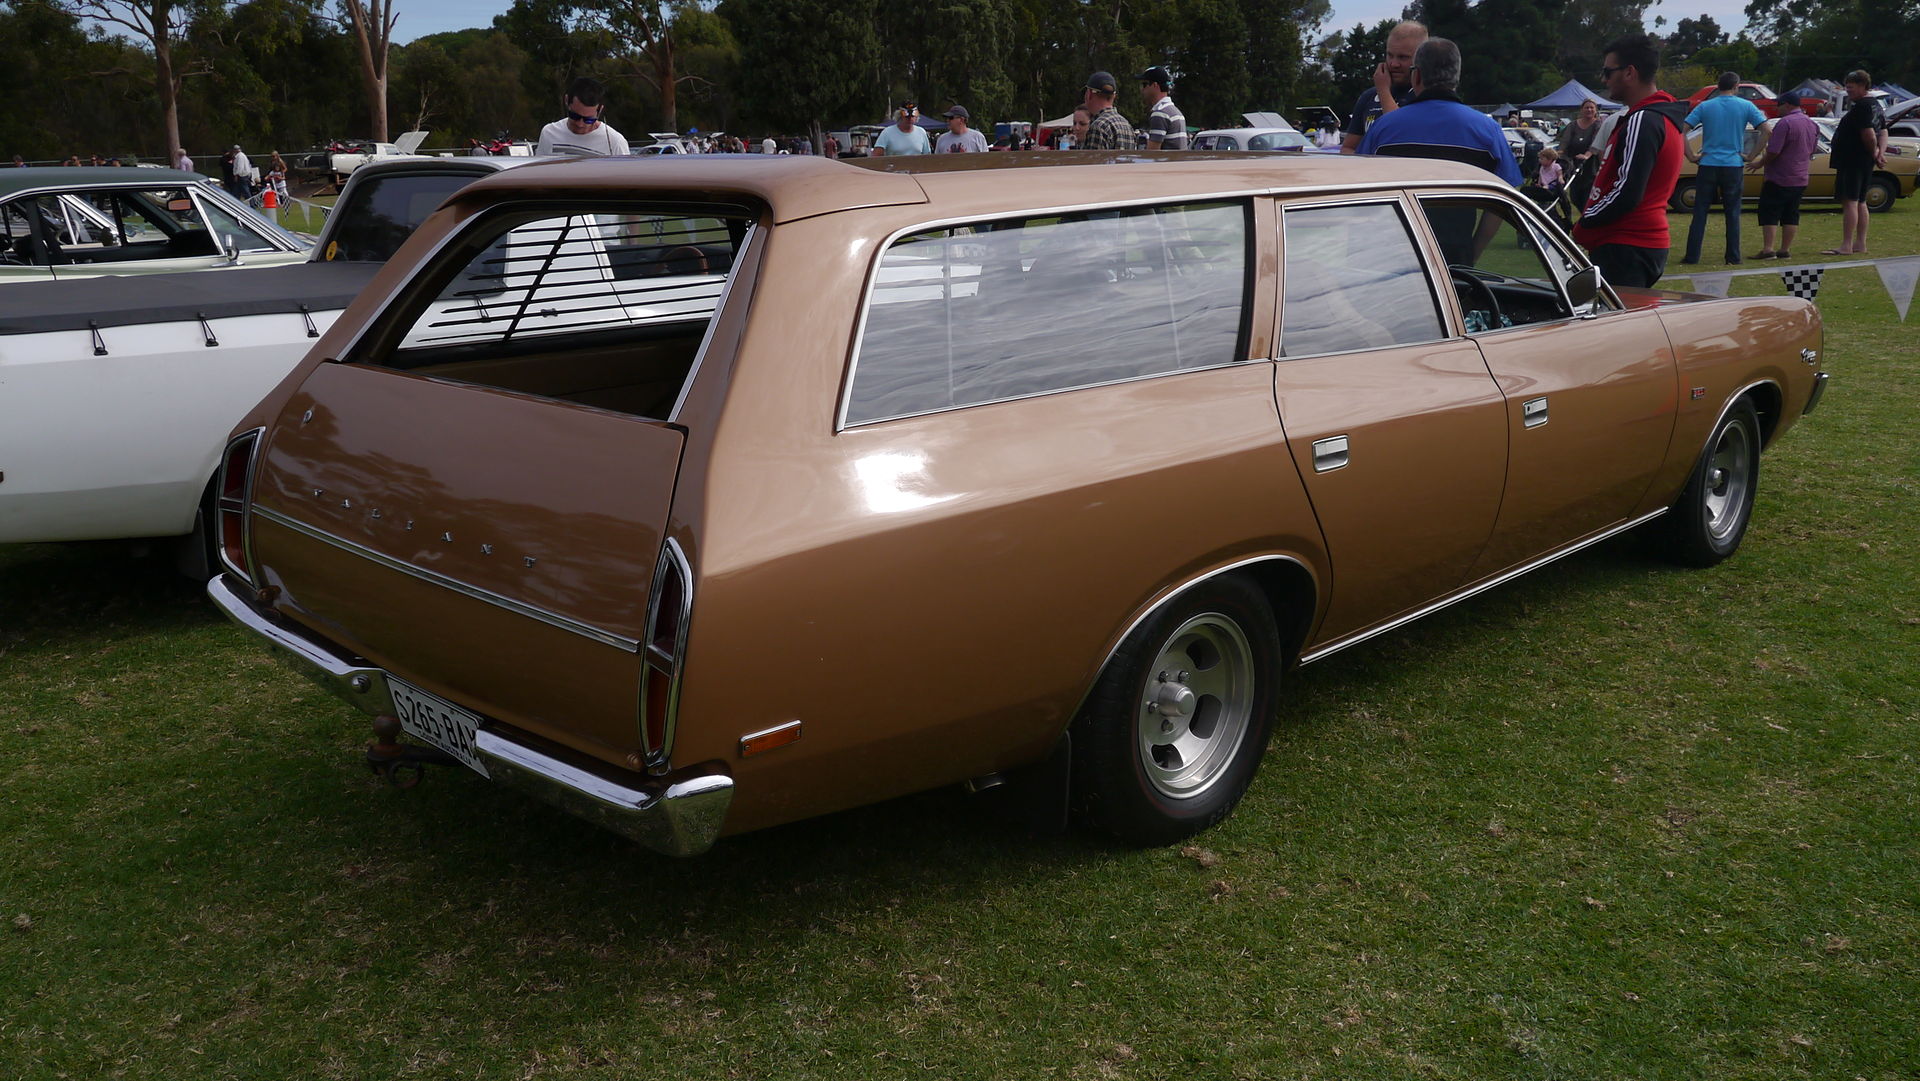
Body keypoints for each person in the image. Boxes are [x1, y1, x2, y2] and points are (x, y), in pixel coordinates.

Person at [1572, 34, 1690, 288]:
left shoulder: (1643, 119)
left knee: (1616, 326)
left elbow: (1627, 191)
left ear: (1629, 73)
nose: (1604, 79)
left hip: (1627, 245)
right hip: (1634, 245)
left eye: (1608, 71)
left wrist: (1585, 222)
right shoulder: (1653, 117)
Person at [1356, 38, 1521, 185]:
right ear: (1456, 76)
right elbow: (1507, 185)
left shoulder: (1383, 126)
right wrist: (1483, 222)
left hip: (1396, 219)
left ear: (1417, 75)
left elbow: (1359, 178)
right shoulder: (1488, 130)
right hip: (1460, 219)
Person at [1681, 72, 1767, 265]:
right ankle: (1733, 256)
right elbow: (1766, 129)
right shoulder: (1746, 106)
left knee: (1700, 211)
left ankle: (1692, 256)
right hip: (1733, 164)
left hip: (1708, 163)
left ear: (1718, 86)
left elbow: (1683, 130)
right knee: (1733, 212)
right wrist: (1752, 155)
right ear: (1736, 86)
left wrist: (1691, 155)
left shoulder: (1705, 106)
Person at [1826, 70, 1888, 255]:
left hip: (1853, 160)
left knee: (1850, 201)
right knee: (1861, 201)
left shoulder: (1862, 106)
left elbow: (1869, 135)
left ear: (1862, 86)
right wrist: (1879, 153)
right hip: (1864, 160)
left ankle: (1846, 245)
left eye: (1851, 87)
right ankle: (1860, 243)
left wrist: (1875, 151)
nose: (1848, 91)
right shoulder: (1875, 105)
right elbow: (1883, 131)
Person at [1751, 90, 1818, 259]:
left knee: (1770, 212)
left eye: (1778, 105)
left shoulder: (1784, 123)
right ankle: (1785, 249)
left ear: (1787, 105)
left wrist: (1759, 163)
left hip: (1779, 176)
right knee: (1791, 214)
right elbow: (1812, 148)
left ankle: (1768, 249)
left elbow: (1773, 151)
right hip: (1800, 177)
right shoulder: (1811, 124)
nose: (1777, 108)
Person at [1341, 21, 1426, 153]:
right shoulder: (1368, 97)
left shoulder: (1424, 96)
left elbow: (1397, 132)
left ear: (1421, 58)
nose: (1394, 64)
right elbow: (1348, 147)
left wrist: (1383, 91)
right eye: (1390, 55)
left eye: (1403, 57)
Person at [535, 77, 631, 157]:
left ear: (600, 110)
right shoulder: (549, 133)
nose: (580, 124)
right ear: (566, 100)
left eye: (589, 119)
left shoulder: (616, 142)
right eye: (575, 116)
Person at [1080, 71, 1136, 151]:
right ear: (1114, 96)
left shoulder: (1099, 126)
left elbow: (1094, 162)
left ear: (1089, 94)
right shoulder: (1127, 125)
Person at [1138, 67, 1187, 150]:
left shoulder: (1160, 114)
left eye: (1144, 84)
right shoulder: (1176, 112)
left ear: (1155, 85)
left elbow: (1152, 154)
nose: (1142, 89)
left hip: (1167, 162)